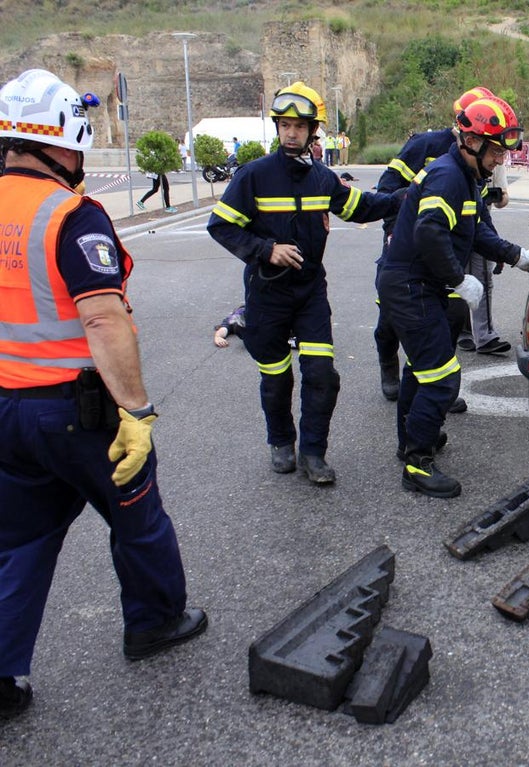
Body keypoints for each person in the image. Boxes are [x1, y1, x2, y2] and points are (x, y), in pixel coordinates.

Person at [0, 69, 207, 719]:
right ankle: (155, 622)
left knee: (19, 542)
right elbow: (102, 317)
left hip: (7, 411)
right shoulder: (71, 213)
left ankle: (4, 675)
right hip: (78, 410)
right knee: (137, 515)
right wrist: (137, 411)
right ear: (65, 140)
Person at [207, 81, 403, 484]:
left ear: (313, 131)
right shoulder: (254, 176)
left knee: (322, 375)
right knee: (276, 377)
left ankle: (313, 453)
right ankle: (281, 442)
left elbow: (361, 206)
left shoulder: (321, 178)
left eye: (299, 126)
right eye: (285, 126)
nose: (291, 133)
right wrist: (266, 249)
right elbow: (221, 226)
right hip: (267, 292)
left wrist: (408, 196)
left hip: (310, 291)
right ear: (277, 128)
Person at [378, 95, 529, 499]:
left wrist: (517, 255)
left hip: (417, 283)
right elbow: (429, 231)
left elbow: (477, 231)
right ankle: (417, 464)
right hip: (412, 286)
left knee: (420, 369)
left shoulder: (466, 176)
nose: (501, 159)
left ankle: (411, 441)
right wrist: (458, 279)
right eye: (496, 150)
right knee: (442, 377)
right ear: (472, 142)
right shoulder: (448, 177)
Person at [372, 86, 495, 403]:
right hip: (408, 245)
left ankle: (438, 381)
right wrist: (394, 228)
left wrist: (494, 246)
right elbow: (387, 188)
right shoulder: (425, 145)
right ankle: (389, 365)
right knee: (390, 317)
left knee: (450, 316)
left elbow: (478, 209)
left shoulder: (478, 160)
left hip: (448, 252)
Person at [457, 159, 513, 355]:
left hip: (480, 225)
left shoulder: (496, 162)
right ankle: (462, 331)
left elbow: (503, 199)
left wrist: (497, 197)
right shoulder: (455, 165)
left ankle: (485, 336)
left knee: (484, 280)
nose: (498, 158)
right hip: (456, 228)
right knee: (457, 279)